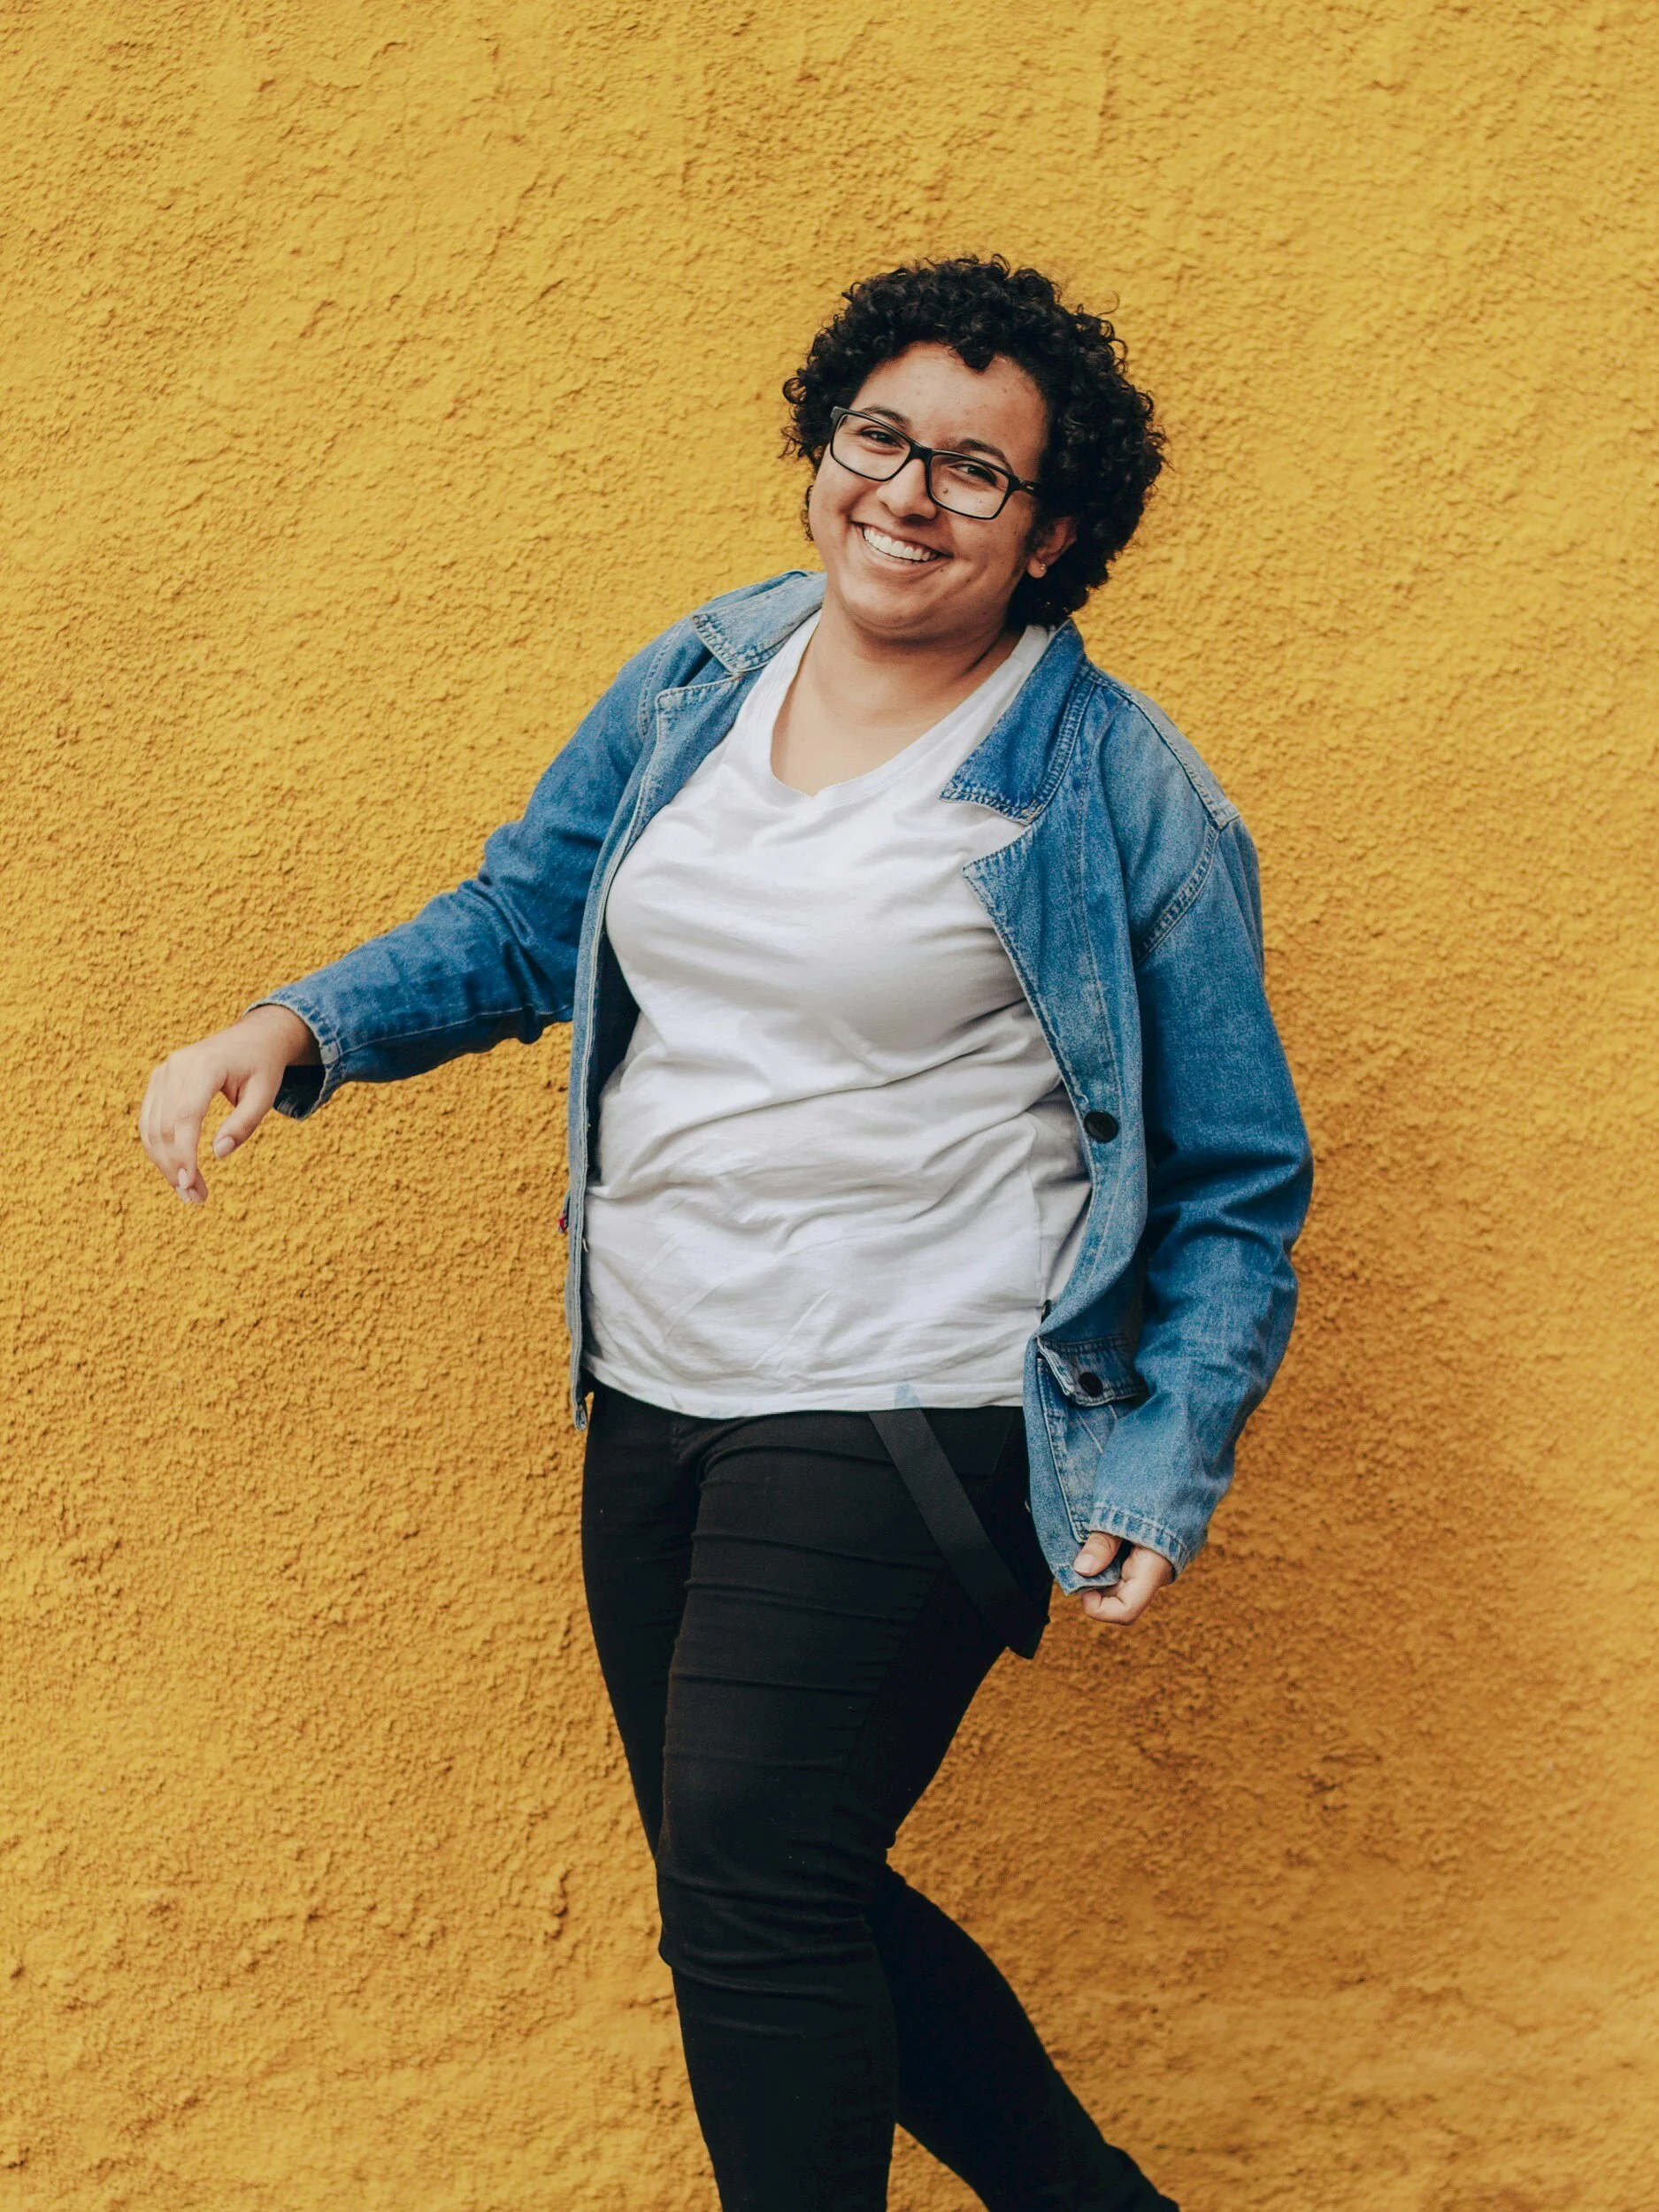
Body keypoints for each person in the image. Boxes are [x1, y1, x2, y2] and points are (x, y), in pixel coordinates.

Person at [139, 255, 1311, 2212]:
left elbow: (1233, 1172)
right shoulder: (707, 670)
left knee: (756, 1893)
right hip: (659, 1381)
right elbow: (531, 916)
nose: (907, 494)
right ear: (822, 443)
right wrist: (301, 1025)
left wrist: (1164, 1451)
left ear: (1053, 537)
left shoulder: (1116, 786)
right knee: (757, 1886)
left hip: (911, 1396)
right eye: (879, 437)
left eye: (974, 472)